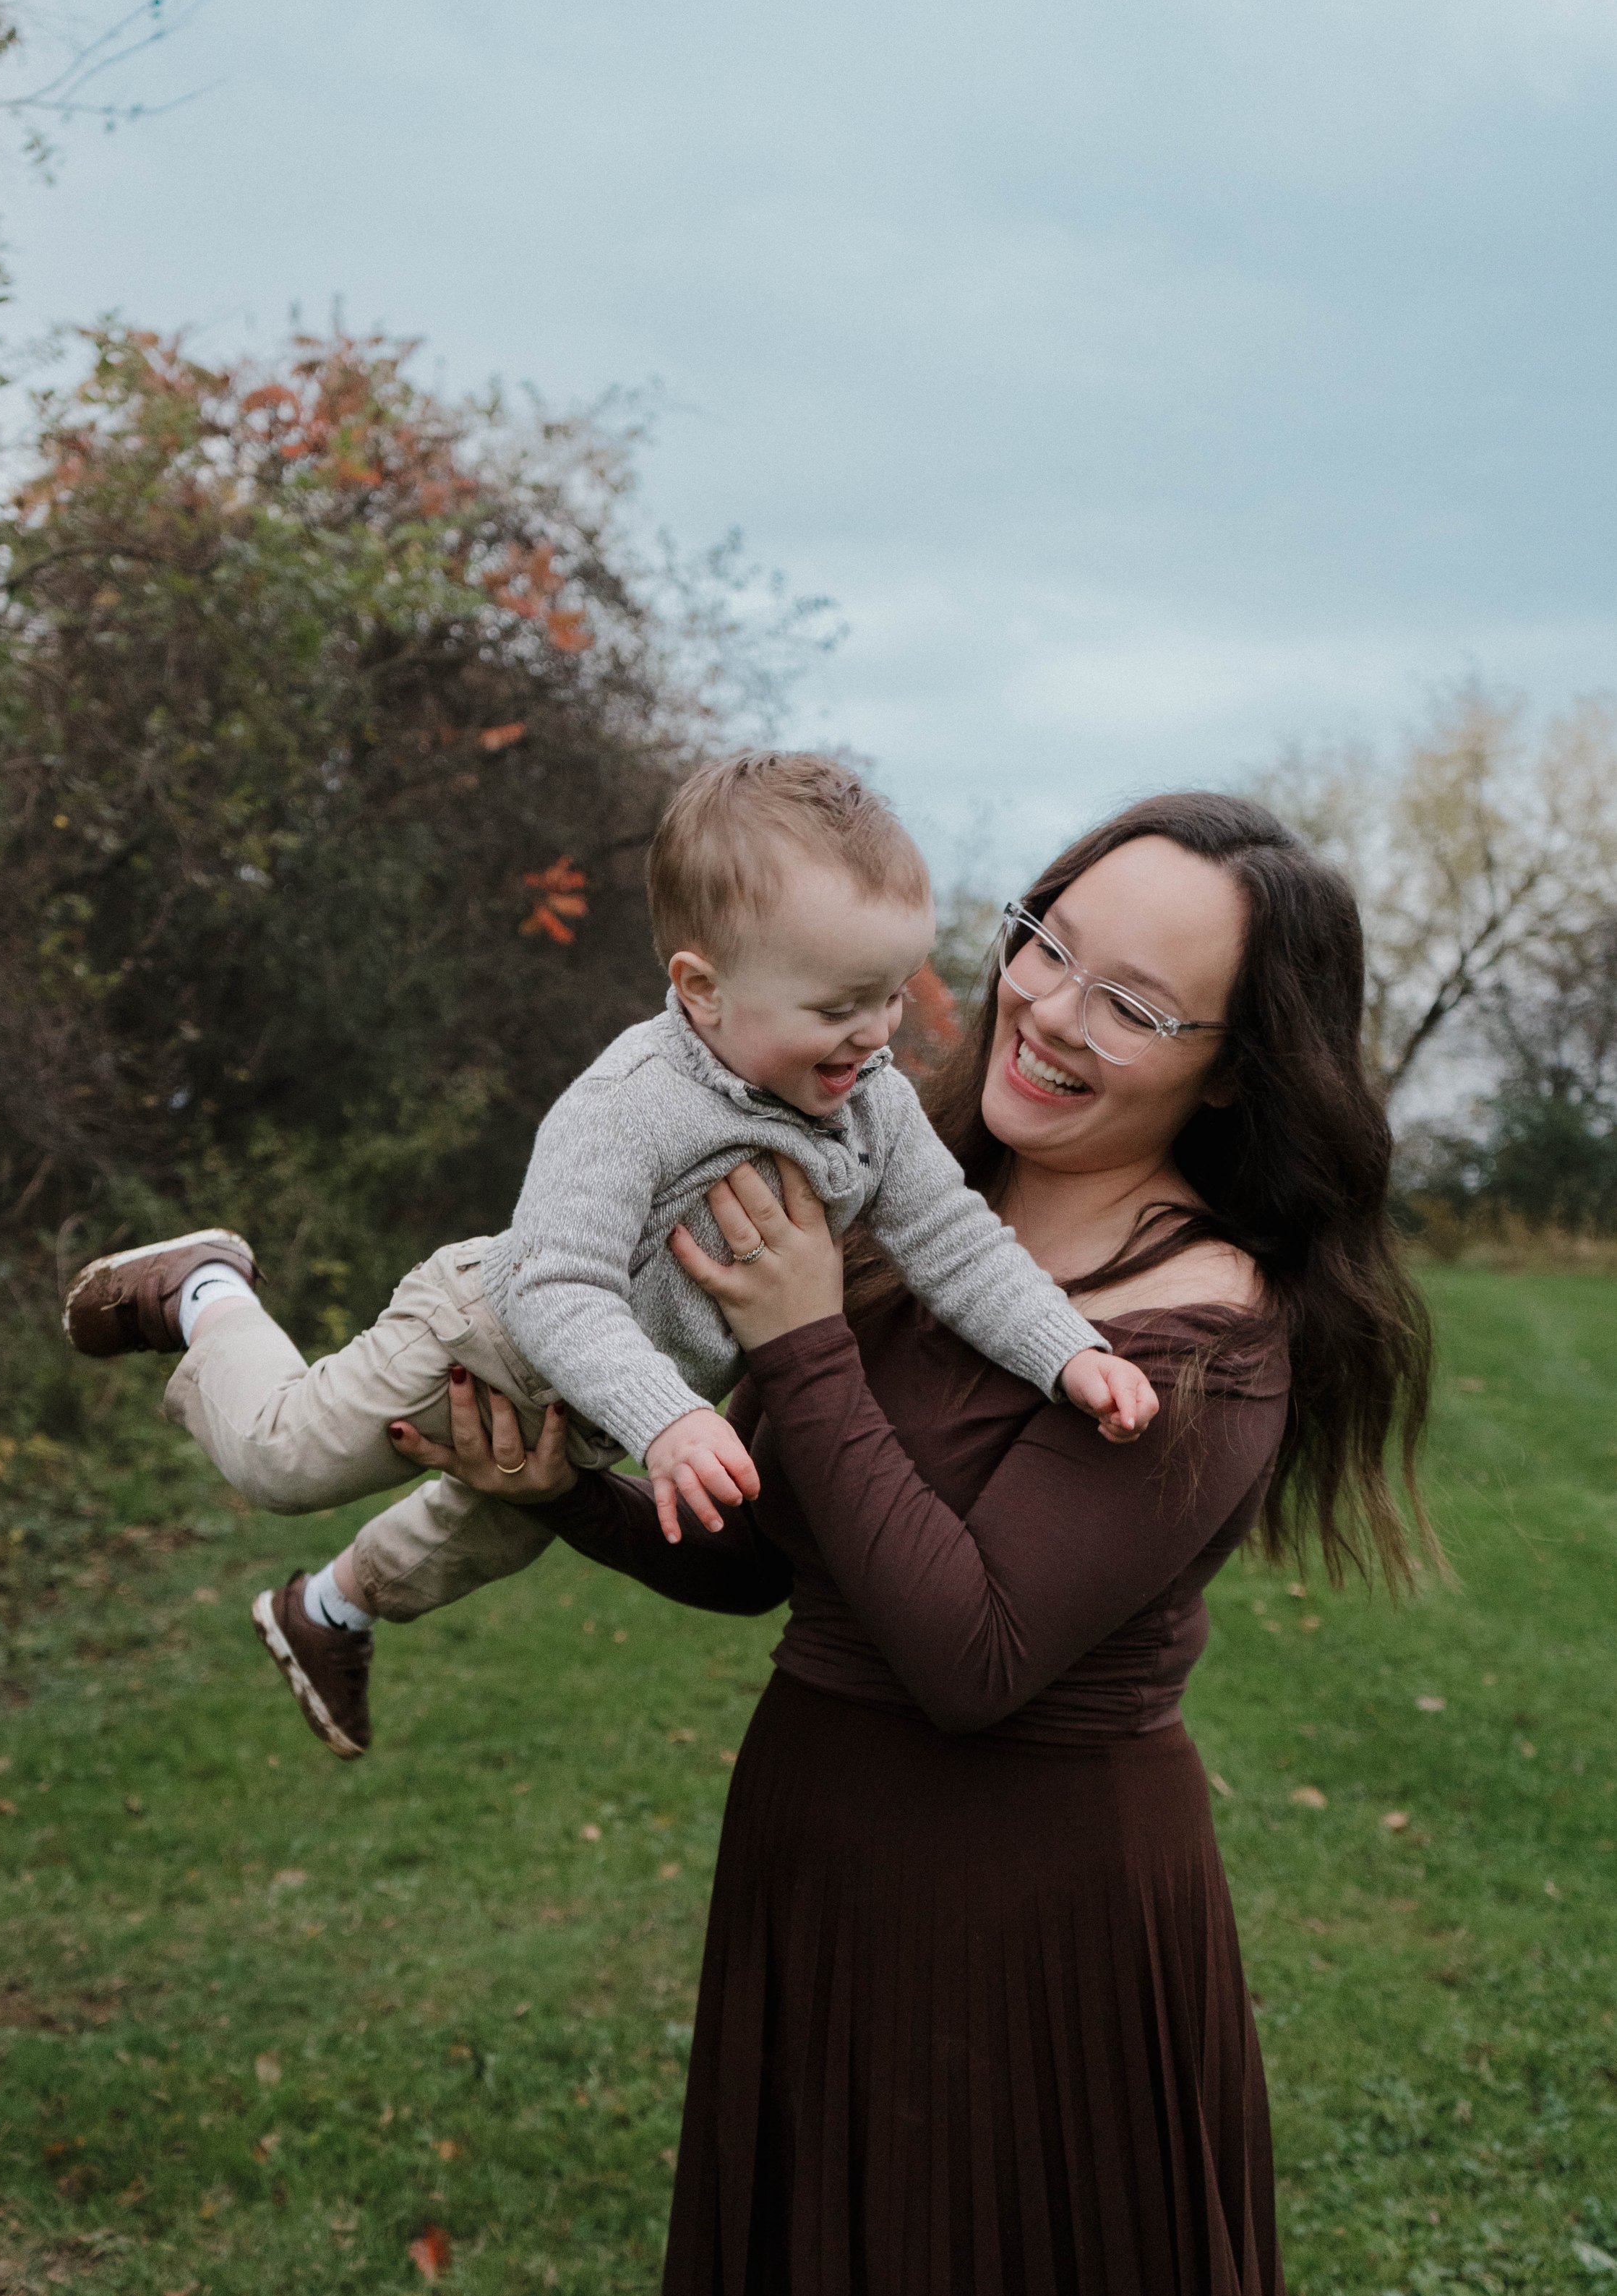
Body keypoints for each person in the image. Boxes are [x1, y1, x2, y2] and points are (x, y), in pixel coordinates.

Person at [394, 793, 1435, 2296]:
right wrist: (568, 1486)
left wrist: (800, 1337)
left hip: (1035, 1936)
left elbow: (972, 1651)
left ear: (1228, 1071)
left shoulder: (1202, 1327)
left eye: (1134, 1003)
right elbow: (783, 1567)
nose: (1047, 1011)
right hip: (816, 1880)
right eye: (1045, 944)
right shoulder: (887, 1185)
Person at [61, 752, 1156, 1759]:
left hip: (592, 1413)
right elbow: (551, 1280)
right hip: (486, 1337)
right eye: (836, 1006)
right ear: (702, 988)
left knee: (479, 1538)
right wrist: (669, 1420)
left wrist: (1068, 1351)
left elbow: (956, 1240)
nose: (875, 1033)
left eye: (888, 993)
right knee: (280, 1460)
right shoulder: (635, 1101)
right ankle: (204, 1286)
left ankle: (326, 1613)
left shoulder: (872, 1104)